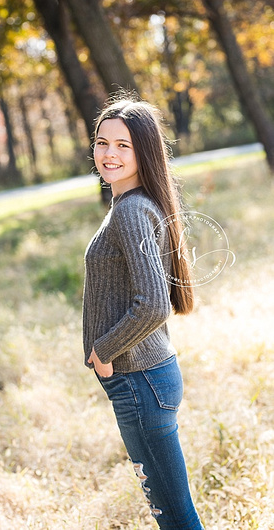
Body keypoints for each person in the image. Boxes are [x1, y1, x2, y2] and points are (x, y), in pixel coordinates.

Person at [83, 97, 202, 528]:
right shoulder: (131, 204)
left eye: (123, 145)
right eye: (102, 142)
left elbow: (154, 303)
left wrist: (103, 350)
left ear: (144, 152)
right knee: (169, 510)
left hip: (139, 380)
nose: (109, 154)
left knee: (173, 515)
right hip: (147, 378)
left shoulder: (131, 210)